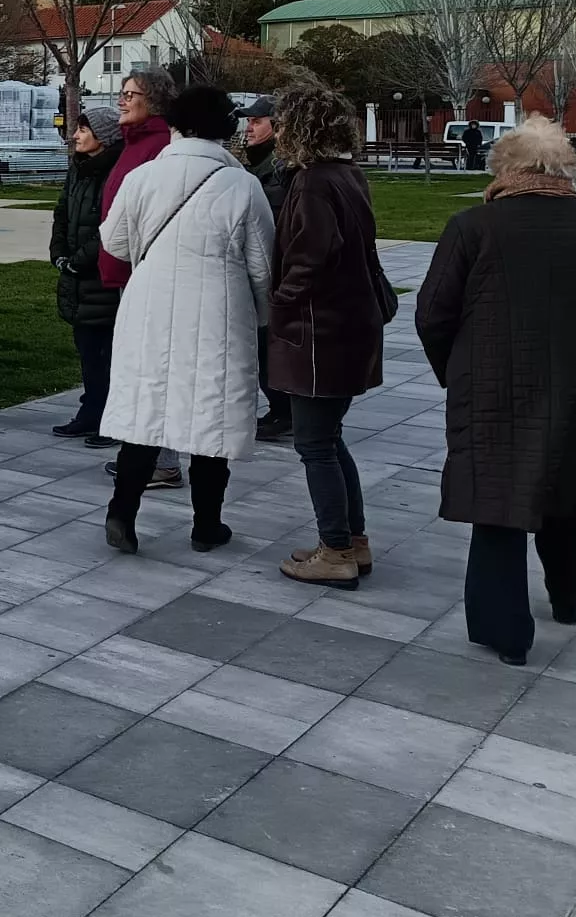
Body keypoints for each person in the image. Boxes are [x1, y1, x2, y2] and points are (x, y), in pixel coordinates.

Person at [416, 116, 576, 665]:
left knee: (498, 497)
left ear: (503, 169)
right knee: (569, 483)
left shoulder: (473, 227)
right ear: (566, 168)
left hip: (490, 387)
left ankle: (506, 630)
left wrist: (459, 371)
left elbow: (432, 315)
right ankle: (566, 597)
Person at [100, 85, 274, 555]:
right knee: (211, 418)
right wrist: (261, 315)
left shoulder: (142, 176)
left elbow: (114, 242)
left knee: (145, 411)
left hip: (149, 305)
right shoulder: (242, 184)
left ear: (175, 123)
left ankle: (122, 513)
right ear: (226, 129)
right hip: (219, 308)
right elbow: (262, 263)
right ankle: (206, 525)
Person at [260, 82, 392, 590]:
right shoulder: (346, 174)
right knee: (329, 440)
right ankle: (351, 541)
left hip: (320, 331)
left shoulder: (314, 181)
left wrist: (280, 303)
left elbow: (309, 259)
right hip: (347, 325)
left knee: (315, 443)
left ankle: (335, 548)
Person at [100, 67, 182, 489]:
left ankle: (162, 459)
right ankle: (150, 453)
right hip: (125, 272)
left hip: (144, 273)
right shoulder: (134, 143)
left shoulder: (160, 146)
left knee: (152, 370)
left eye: (129, 93)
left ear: (153, 100)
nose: (122, 100)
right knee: (139, 369)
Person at [50, 105, 122, 447]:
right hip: (78, 278)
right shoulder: (78, 169)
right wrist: (59, 252)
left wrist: (80, 259)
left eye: (83, 130)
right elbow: (62, 212)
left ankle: (109, 419)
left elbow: (112, 226)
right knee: (88, 352)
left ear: (103, 138)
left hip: (102, 280)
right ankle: (90, 412)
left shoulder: (116, 173)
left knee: (105, 356)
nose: (75, 135)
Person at [238, 96, 295, 441]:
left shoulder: (281, 168)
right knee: (264, 345)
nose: (249, 127)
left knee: (272, 344)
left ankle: (284, 410)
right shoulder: (259, 166)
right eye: (249, 121)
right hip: (260, 267)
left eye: (257, 121)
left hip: (278, 271)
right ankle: (280, 408)